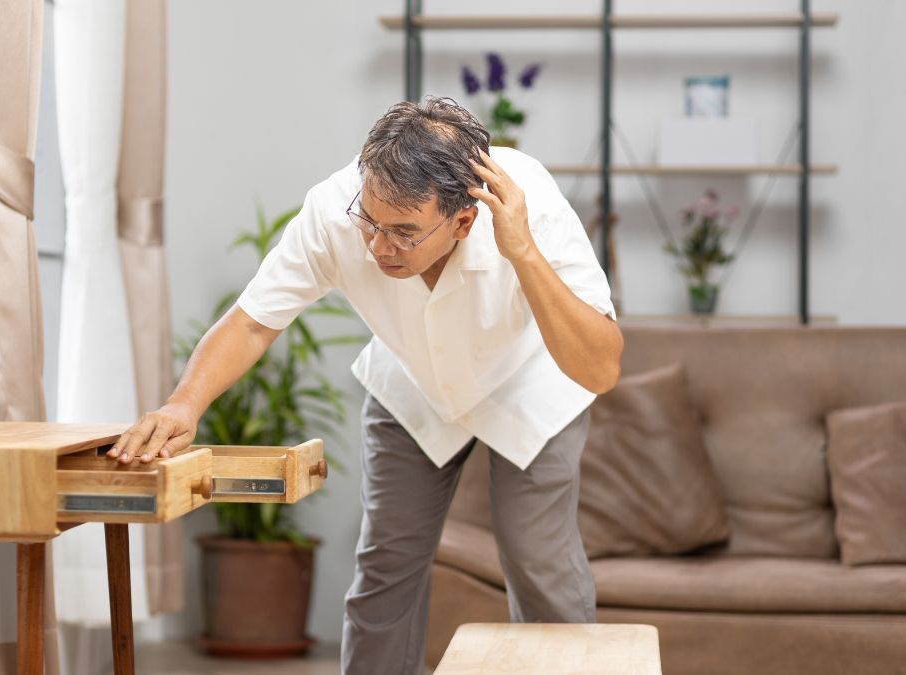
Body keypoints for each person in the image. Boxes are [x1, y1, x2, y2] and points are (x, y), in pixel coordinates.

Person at [107, 96, 622, 674]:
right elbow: (253, 321)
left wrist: (522, 251)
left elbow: (601, 367)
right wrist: (184, 404)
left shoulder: (531, 208)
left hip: (530, 378)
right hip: (411, 381)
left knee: (538, 559)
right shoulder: (335, 210)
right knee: (386, 563)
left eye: (403, 232)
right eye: (370, 223)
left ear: (463, 220)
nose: (379, 247)